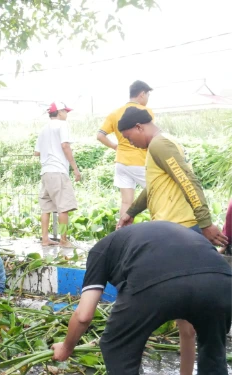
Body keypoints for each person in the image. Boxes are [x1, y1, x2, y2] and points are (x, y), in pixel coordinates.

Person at [116, 106, 228, 375]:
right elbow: (154, 187)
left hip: (176, 234)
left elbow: (187, 179)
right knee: (185, 321)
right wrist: (132, 212)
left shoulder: (160, 144)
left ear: (140, 126)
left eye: (130, 136)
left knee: (147, 300)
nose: (130, 142)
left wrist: (205, 222)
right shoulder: (163, 144)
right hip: (178, 232)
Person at [52, 221, 232, 375]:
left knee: (116, 345)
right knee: (213, 353)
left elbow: (83, 315)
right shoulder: (166, 238)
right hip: (221, 282)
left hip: (153, 285)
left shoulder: (100, 251)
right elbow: (188, 324)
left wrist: (66, 348)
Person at [97, 80, 154, 217]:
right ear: (142, 94)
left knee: (126, 203)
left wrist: (115, 146)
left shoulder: (114, 113)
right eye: (147, 95)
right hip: (140, 162)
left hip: (121, 162)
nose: (147, 99)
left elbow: (100, 136)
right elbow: (150, 136)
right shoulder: (146, 112)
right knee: (156, 195)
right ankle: (159, 230)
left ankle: (122, 232)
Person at [34, 102, 80, 247]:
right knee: (63, 208)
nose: (66, 114)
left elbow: (37, 152)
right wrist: (75, 168)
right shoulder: (62, 125)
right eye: (65, 111)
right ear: (59, 112)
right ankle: (64, 240)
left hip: (46, 172)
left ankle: (45, 239)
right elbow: (65, 146)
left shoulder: (44, 129)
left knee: (46, 208)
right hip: (58, 170)